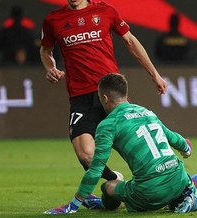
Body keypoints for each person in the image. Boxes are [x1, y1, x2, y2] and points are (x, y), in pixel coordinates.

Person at [40, 0, 167, 209]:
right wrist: (51, 67)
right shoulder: (53, 20)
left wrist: (154, 74)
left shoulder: (106, 11)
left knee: (134, 146)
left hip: (111, 91)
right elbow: (46, 51)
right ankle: (114, 179)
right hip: (80, 96)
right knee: (85, 154)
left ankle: (157, 185)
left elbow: (130, 42)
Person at [43, 74, 197, 214]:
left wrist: (74, 205)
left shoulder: (108, 125)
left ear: (104, 98)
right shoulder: (147, 112)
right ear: (126, 95)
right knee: (195, 197)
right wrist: (186, 148)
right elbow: (174, 138)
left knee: (108, 187)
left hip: (149, 191)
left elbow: (96, 169)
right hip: (179, 178)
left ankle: (106, 205)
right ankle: (192, 201)